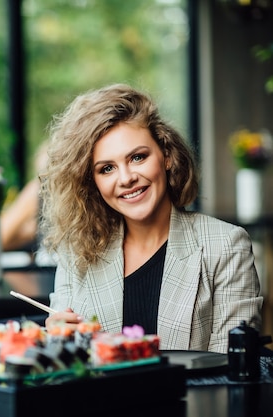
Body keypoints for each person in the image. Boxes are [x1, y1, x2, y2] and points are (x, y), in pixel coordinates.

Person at [41, 84, 262, 353]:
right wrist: (55, 344)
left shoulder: (225, 245)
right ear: (92, 182)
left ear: (166, 156)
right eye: (107, 168)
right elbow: (66, 372)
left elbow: (230, 370)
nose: (126, 179)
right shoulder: (76, 252)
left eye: (137, 157)